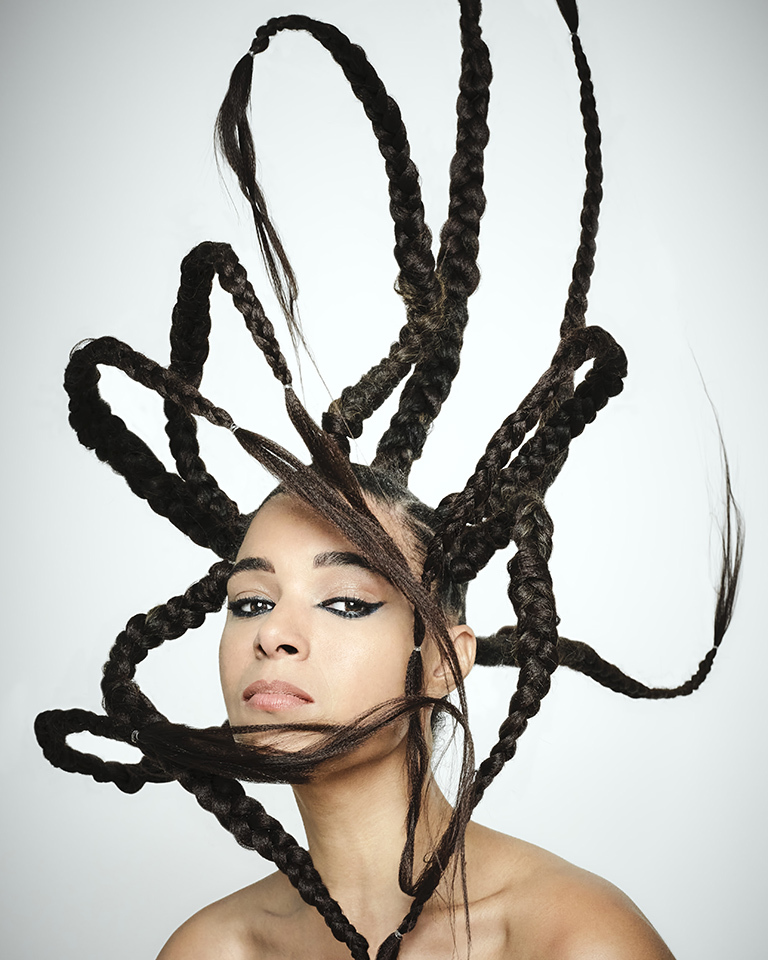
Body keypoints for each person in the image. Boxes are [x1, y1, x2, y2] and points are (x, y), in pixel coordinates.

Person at [29, 1, 746, 958]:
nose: (273, 637)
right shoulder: (210, 950)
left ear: (447, 656)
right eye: (249, 602)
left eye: (347, 601)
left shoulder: (575, 939)